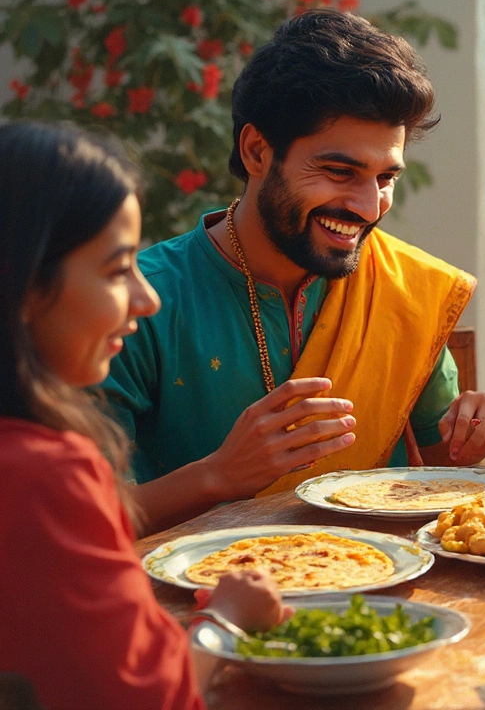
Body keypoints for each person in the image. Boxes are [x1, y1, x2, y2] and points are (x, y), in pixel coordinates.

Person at [103, 9, 485, 534]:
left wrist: (477, 428)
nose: (369, 207)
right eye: (339, 172)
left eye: (385, 177)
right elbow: (80, 522)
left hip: (380, 592)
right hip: (198, 606)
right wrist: (219, 475)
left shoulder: (402, 288)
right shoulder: (137, 302)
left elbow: (440, 466)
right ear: (257, 151)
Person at [0, 122, 290, 710]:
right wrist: (228, 619)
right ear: (26, 285)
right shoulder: (41, 474)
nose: (147, 298)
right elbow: (148, 694)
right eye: (116, 270)